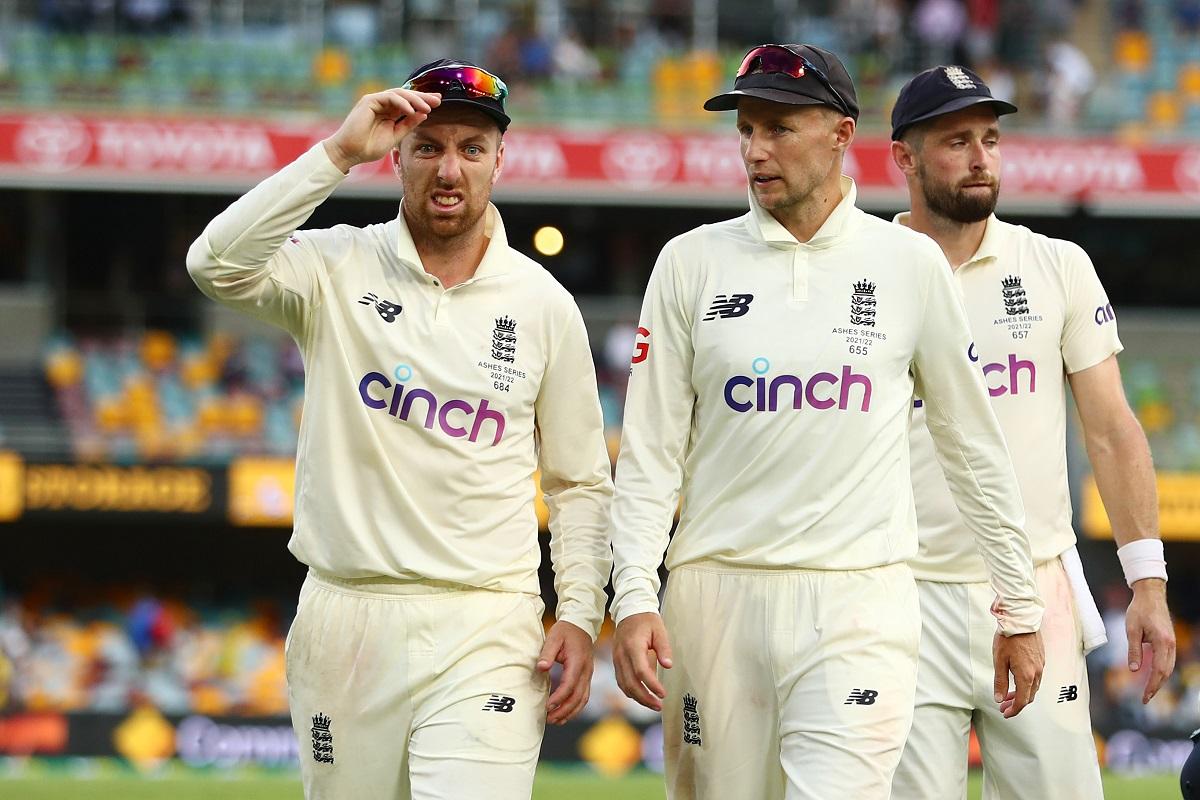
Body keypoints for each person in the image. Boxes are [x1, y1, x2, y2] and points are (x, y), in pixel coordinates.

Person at [607, 43, 1046, 800]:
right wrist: (636, 596)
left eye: (779, 127)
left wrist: (1020, 603)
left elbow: (971, 444)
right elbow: (649, 453)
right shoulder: (689, 263)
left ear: (842, 134)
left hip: (858, 599)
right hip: (716, 596)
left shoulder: (907, 263)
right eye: (746, 129)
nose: (755, 150)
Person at [186, 59, 613, 799]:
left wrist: (579, 611)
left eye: (471, 149)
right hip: (347, 617)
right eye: (429, 147)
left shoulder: (544, 304)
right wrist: (335, 155)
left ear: (499, 161)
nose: (450, 170)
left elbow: (578, 482)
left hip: (488, 619)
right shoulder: (334, 266)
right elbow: (215, 264)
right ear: (397, 156)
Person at [888, 65, 1176, 800]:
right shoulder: (868, 275)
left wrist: (1147, 581)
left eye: (990, 138)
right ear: (904, 159)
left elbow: (1112, 431)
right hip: (898, 593)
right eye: (957, 141)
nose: (982, 156)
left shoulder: (1056, 265)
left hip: (1037, 587)